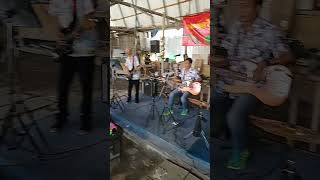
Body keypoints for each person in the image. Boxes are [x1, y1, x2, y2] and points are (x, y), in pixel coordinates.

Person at [212, 0, 295, 170]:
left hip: (254, 85)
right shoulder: (235, 28)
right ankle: (225, 137)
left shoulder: (269, 30)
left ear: (257, 7)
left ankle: (241, 151)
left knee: (234, 116)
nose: (241, 10)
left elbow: (288, 56)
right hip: (231, 80)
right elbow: (227, 57)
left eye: (246, 6)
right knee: (214, 99)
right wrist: (215, 61)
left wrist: (266, 62)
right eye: (239, 5)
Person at [48, 0, 97, 134]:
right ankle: (61, 117)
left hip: (85, 49)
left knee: (86, 87)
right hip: (66, 49)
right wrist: (59, 36)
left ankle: (86, 119)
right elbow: (55, 19)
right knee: (62, 86)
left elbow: (90, 18)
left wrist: (78, 31)